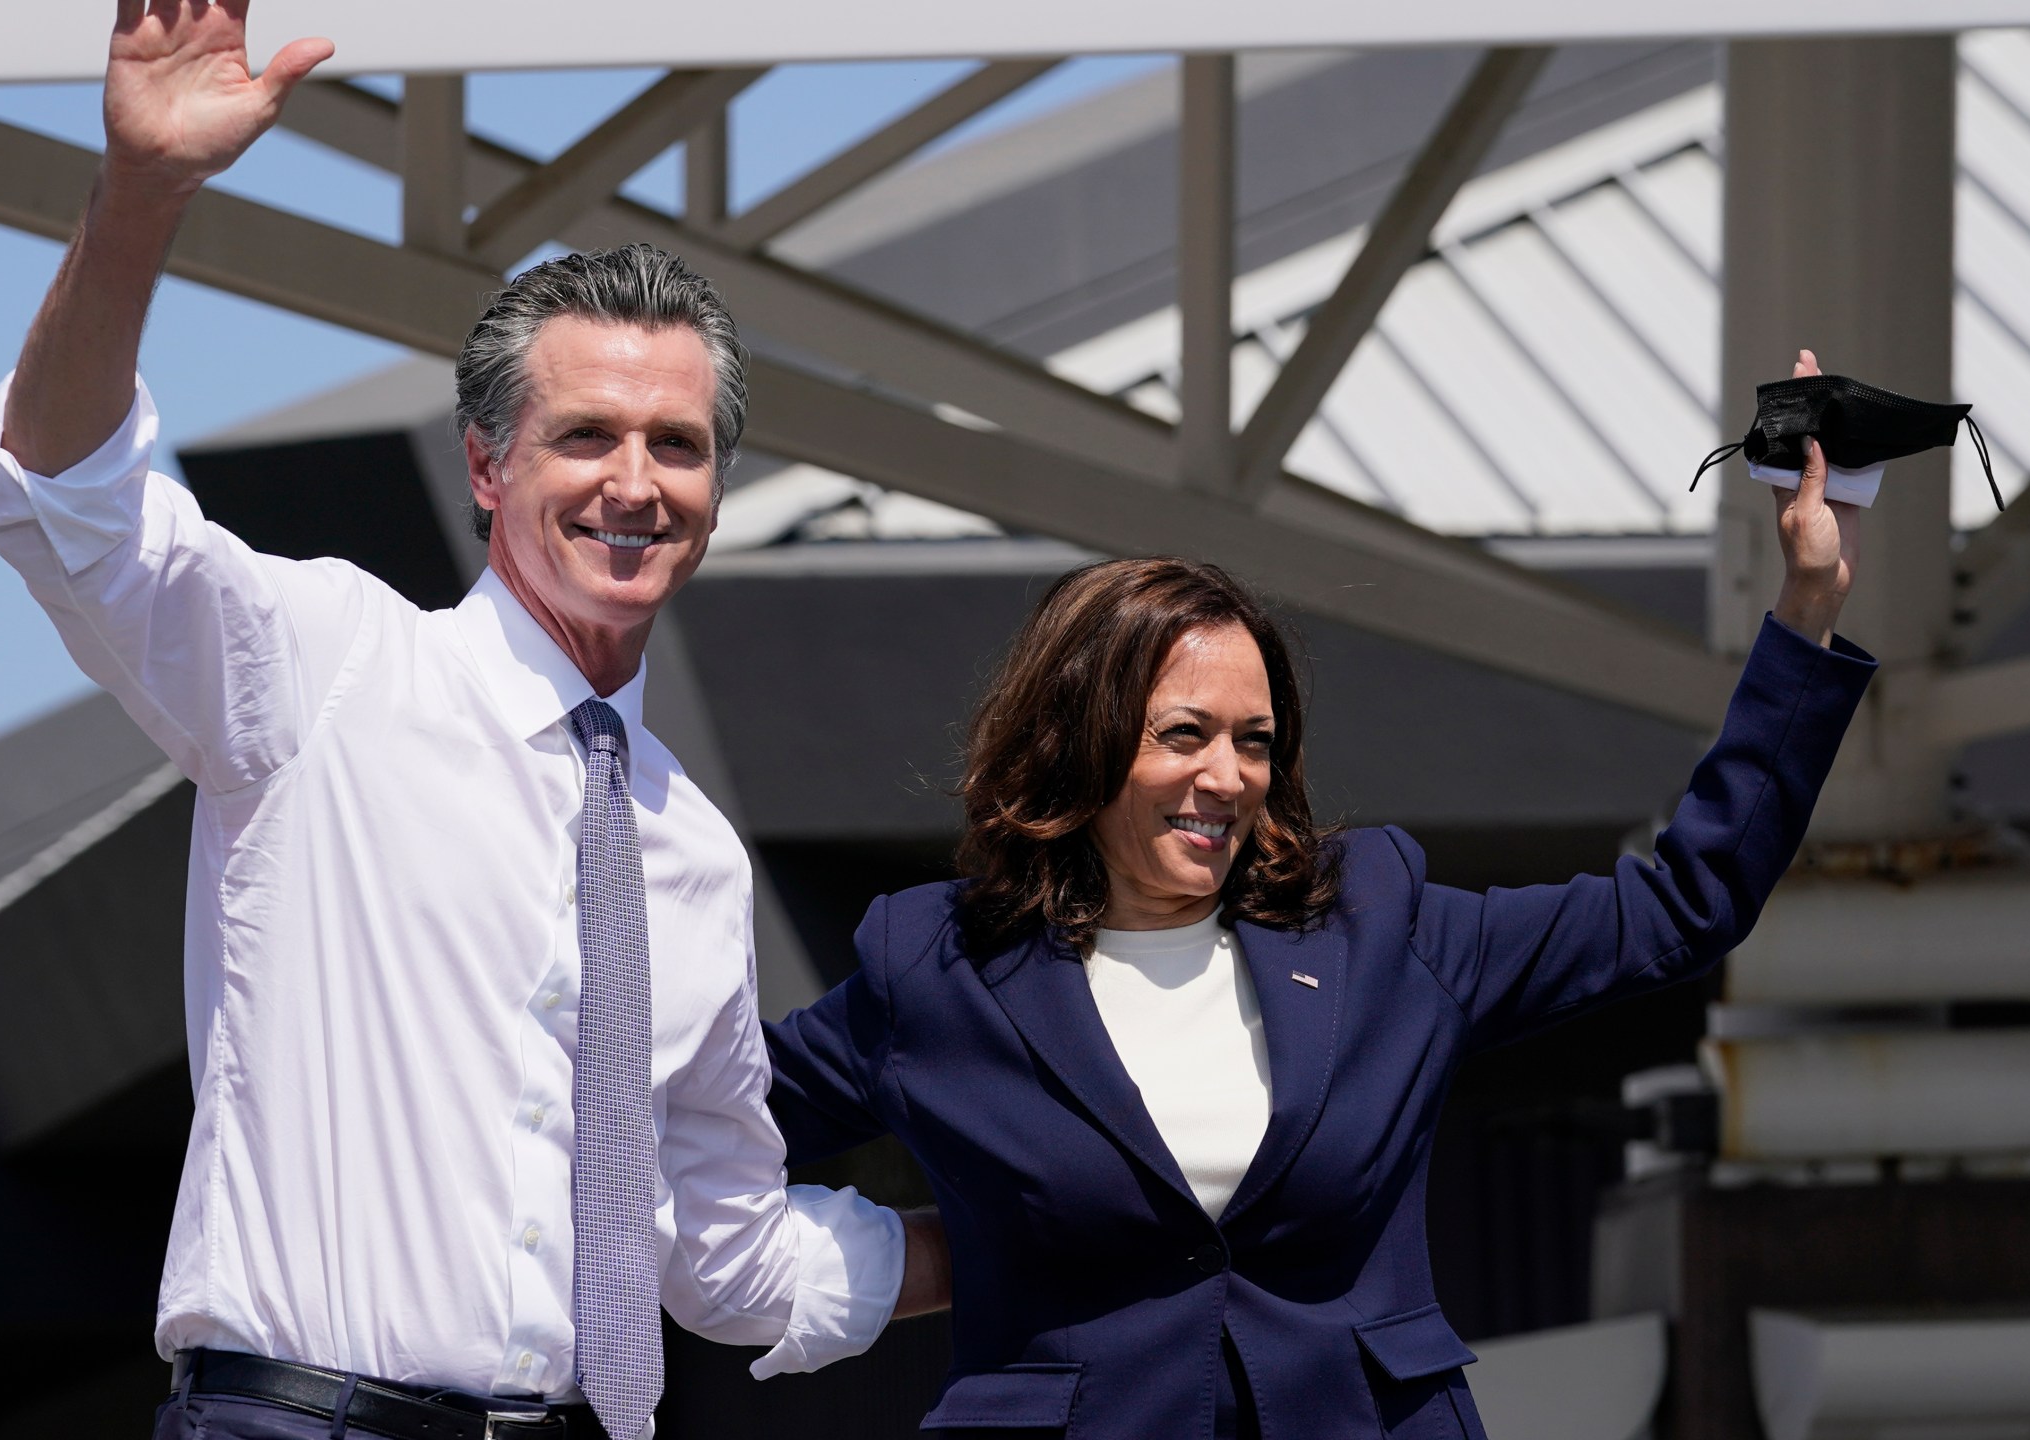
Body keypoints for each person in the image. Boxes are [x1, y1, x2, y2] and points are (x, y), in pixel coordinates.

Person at [0, 5, 935, 1439]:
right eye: (584, 435)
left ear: (717, 493)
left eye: (678, 445)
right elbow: (67, 511)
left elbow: (725, 1256)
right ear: (487, 466)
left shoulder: (693, 854)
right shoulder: (333, 671)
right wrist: (142, 194)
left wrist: (1037, 1234)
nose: (634, 480)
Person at [764, 355, 1874, 1439]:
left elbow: (1685, 903)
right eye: (1182, 735)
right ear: (1079, 745)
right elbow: (697, 1127)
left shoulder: (1374, 925)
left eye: (1254, 742)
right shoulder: (937, 969)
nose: (1227, 777)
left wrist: (1806, 610)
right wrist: (878, 1265)